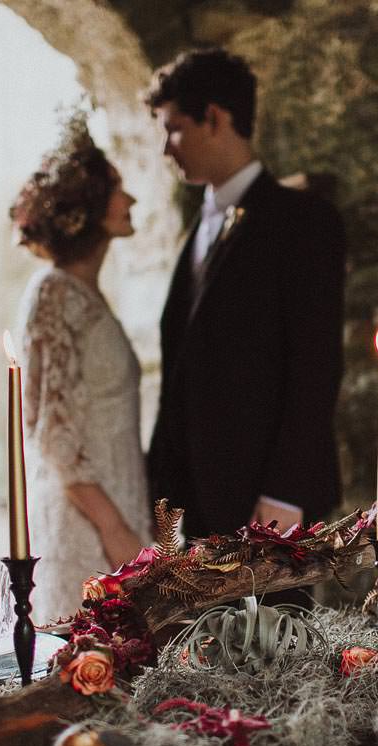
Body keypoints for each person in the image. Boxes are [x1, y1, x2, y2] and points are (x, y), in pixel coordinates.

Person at [145, 49, 346, 543]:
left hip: (268, 502)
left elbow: (315, 365)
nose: (166, 149)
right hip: (191, 504)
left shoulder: (303, 223)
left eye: (173, 129)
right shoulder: (196, 230)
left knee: (278, 624)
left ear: (214, 117)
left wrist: (286, 493)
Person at [10, 114, 150, 625]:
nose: (130, 200)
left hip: (121, 502)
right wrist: (116, 532)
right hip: (88, 525)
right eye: (117, 189)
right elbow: (51, 431)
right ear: (88, 207)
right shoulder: (52, 293)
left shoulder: (88, 294)